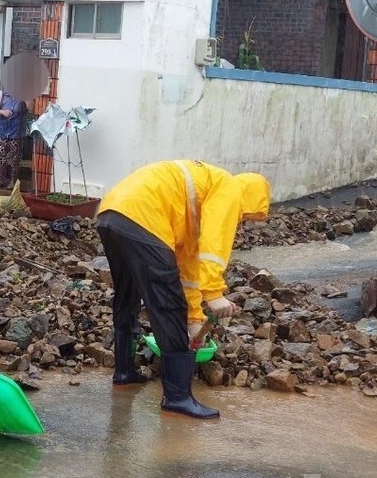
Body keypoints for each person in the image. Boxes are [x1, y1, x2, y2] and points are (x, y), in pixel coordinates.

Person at [96, 161, 271, 420]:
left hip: (111, 213)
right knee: (167, 303)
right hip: (144, 217)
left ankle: (124, 373)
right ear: (251, 199)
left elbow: (188, 270)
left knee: (127, 295)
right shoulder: (230, 189)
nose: (242, 223)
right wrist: (214, 294)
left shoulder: (199, 196)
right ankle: (178, 398)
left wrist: (194, 319)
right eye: (246, 218)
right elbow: (214, 243)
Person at [0, 89, 25, 188]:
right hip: (2, 132)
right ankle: (1, 180)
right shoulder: (2, 93)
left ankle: (13, 182)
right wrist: (2, 112)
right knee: (1, 157)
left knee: (15, 159)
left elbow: (31, 108)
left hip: (16, 133)